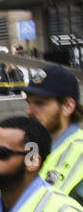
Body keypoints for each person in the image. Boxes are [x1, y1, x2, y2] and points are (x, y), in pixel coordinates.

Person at [24, 64, 83, 200]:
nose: (29, 111)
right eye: (28, 103)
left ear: (68, 106)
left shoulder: (79, 150)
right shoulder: (33, 146)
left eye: (39, 103)